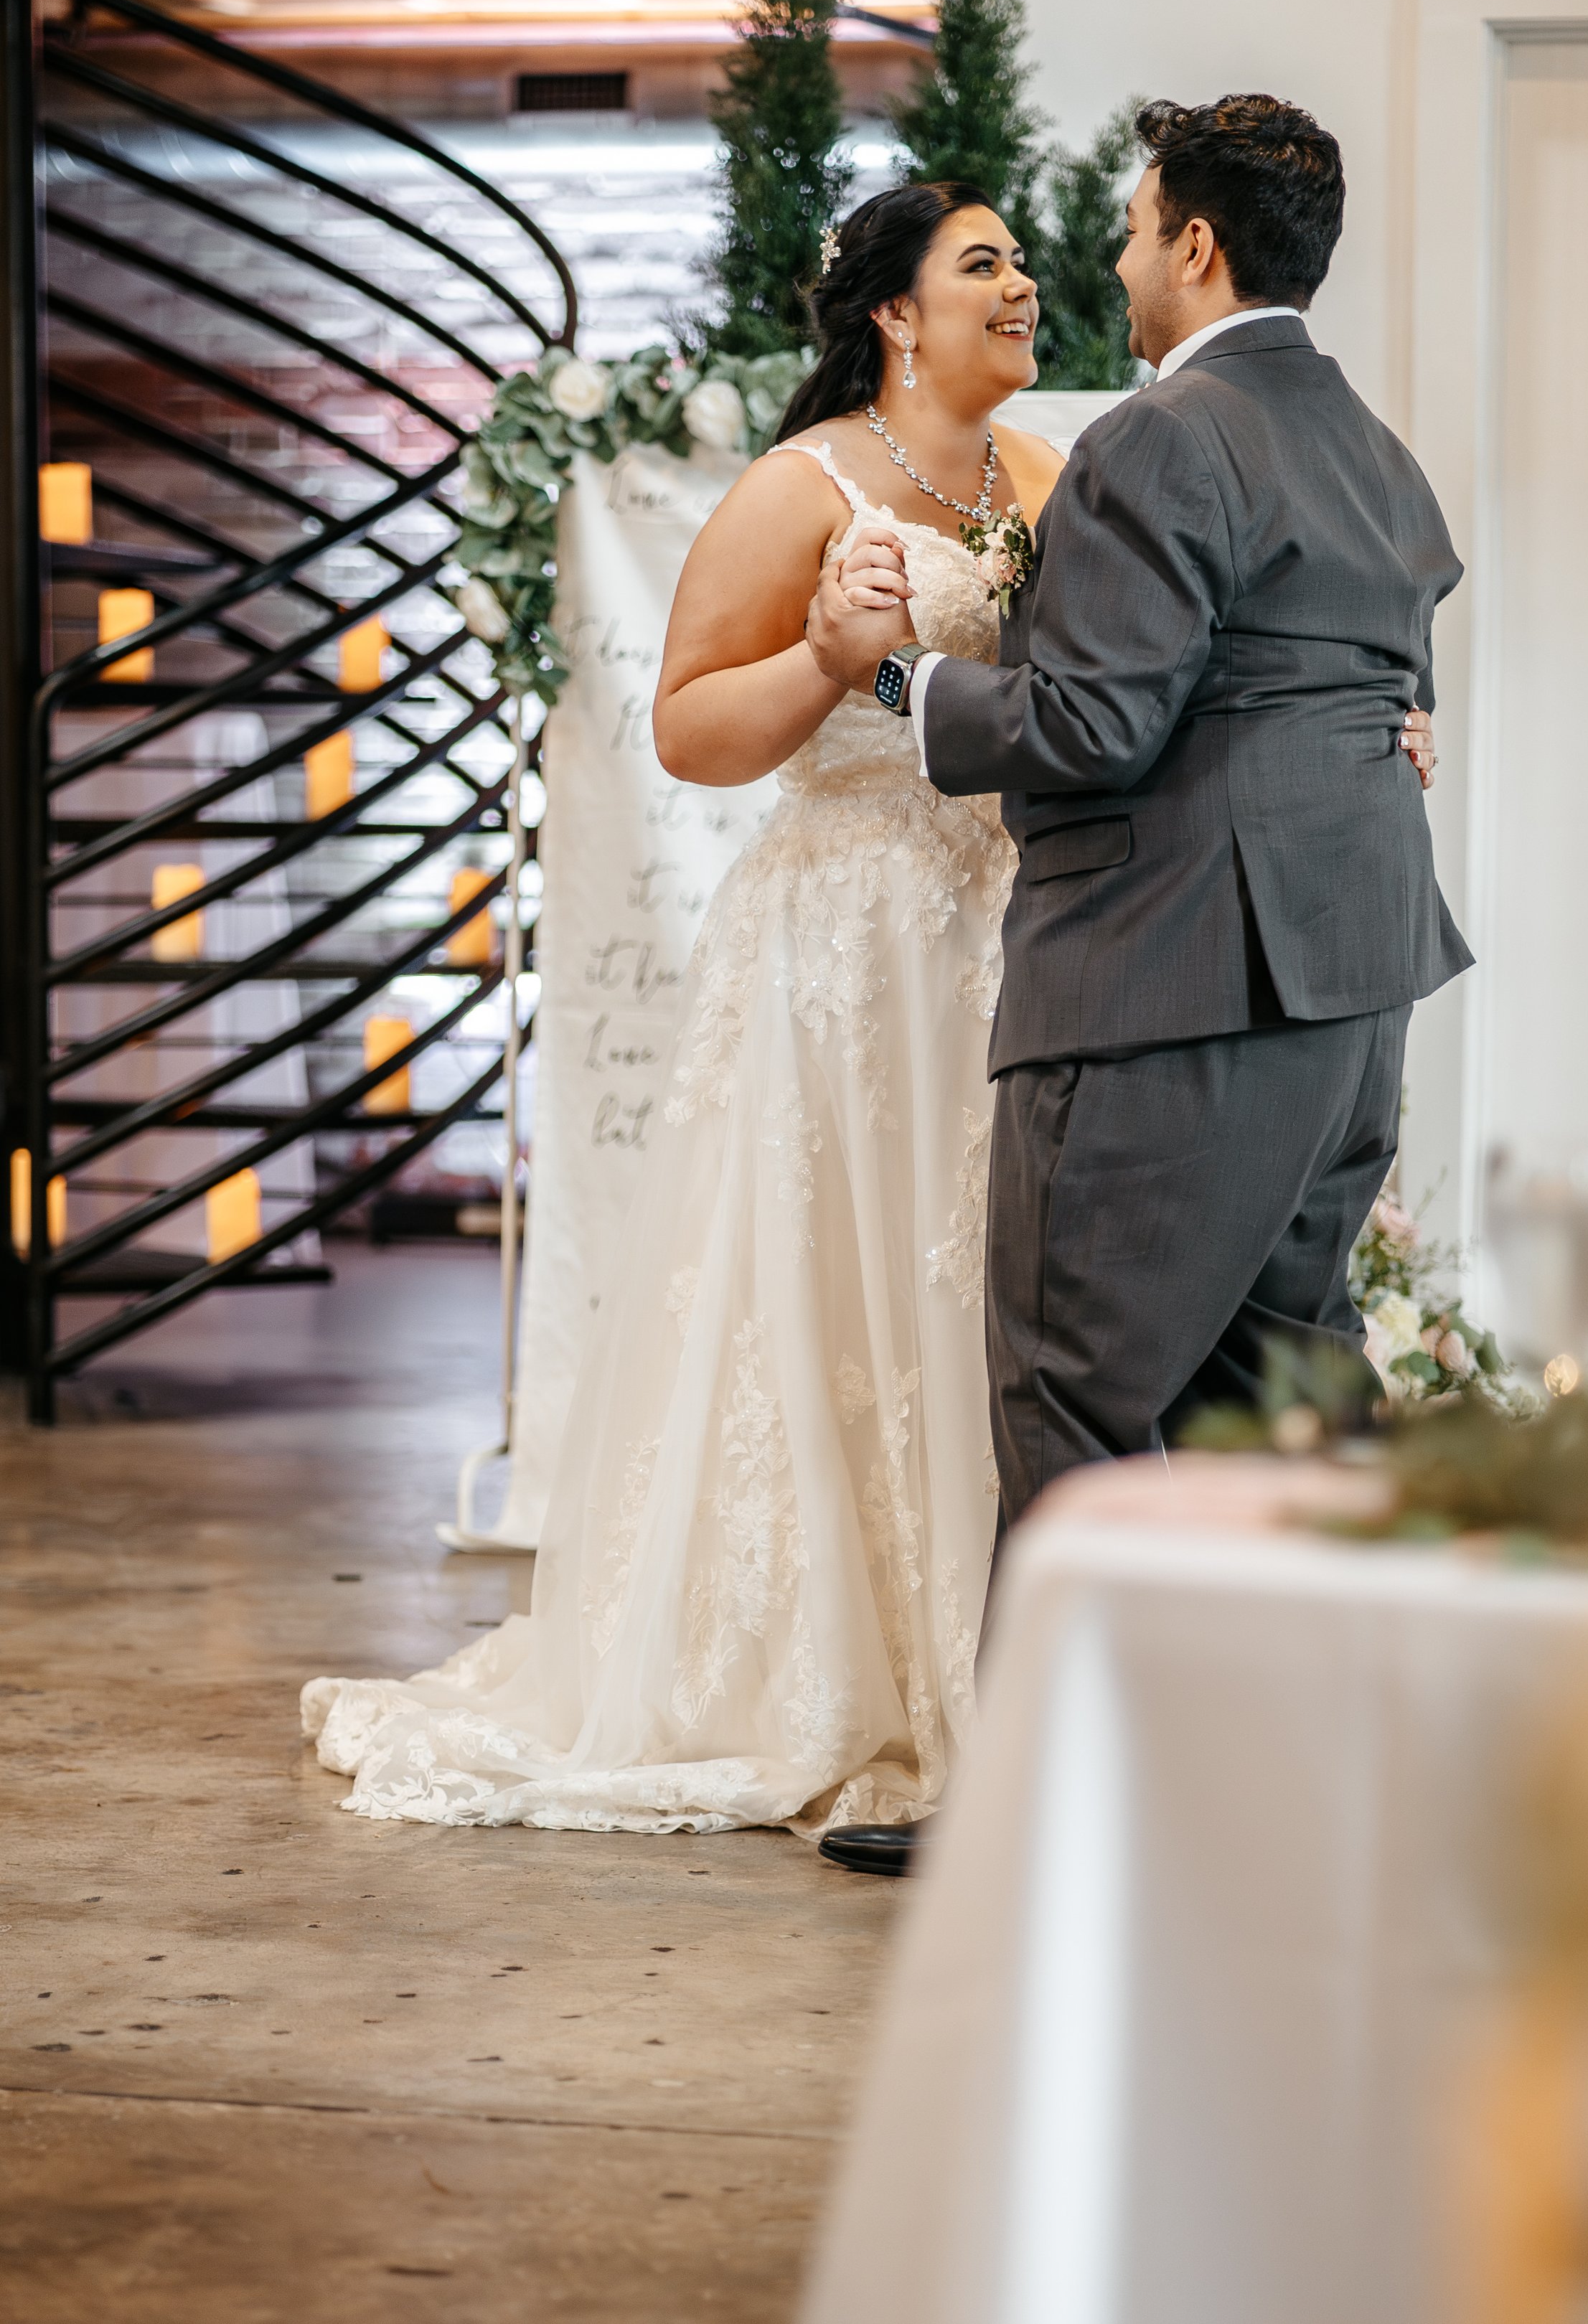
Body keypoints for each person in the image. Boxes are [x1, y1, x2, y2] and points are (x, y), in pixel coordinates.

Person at [301, 182, 1063, 1835]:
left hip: (997, 932)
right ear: (895, 313)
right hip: (842, 941)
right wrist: (829, 654)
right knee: (821, 1289)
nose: (1021, 286)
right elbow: (688, 728)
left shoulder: (1040, 478)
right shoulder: (800, 486)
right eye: (983, 263)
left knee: (964, 1284)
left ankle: (985, 1662)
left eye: (1022, 264)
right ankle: (805, 1669)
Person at [807, 94, 1467, 1871]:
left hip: (1171, 981)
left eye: (1124, 225)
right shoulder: (1373, 451)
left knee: (1078, 1392)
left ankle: (1043, 1826)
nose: (1104, 262)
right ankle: (1345, 1777)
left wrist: (894, 687)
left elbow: (1093, 724)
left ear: (1193, 243)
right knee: (1289, 1390)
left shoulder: (1167, 435)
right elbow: (1372, 700)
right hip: (1350, 980)